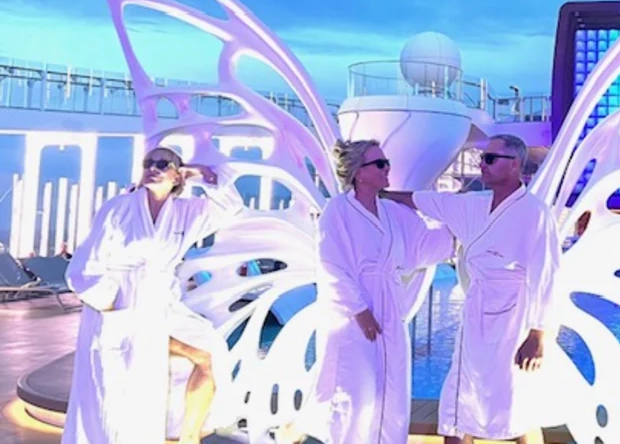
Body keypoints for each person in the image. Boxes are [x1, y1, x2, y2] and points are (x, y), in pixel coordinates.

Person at [383, 134, 561, 444]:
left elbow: (547, 275)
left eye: (491, 159)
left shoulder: (535, 213)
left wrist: (538, 335)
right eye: (483, 159)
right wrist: (378, 192)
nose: (483, 165)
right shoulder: (471, 205)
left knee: (519, 403)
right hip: (476, 318)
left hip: (515, 320)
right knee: (458, 403)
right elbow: (419, 199)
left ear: (515, 165)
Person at [62, 146, 245, 444]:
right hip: (118, 303)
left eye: (164, 163)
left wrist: (197, 173)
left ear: (177, 175)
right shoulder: (118, 207)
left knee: (208, 353)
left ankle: (189, 437)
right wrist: (110, 305)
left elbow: (229, 205)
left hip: (162, 304)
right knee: (112, 389)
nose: (154, 167)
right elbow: (84, 267)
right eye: (149, 162)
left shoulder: (187, 211)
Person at [279, 139, 454, 444]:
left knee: (390, 385)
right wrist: (359, 310)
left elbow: (421, 246)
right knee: (353, 390)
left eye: (387, 163)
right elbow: (331, 265)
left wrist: (459, 225)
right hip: (352, 313)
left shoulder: (393, 211)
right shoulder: (338, 211)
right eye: (380, 164)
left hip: (389, 306)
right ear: (359, 172)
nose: (388, 169)